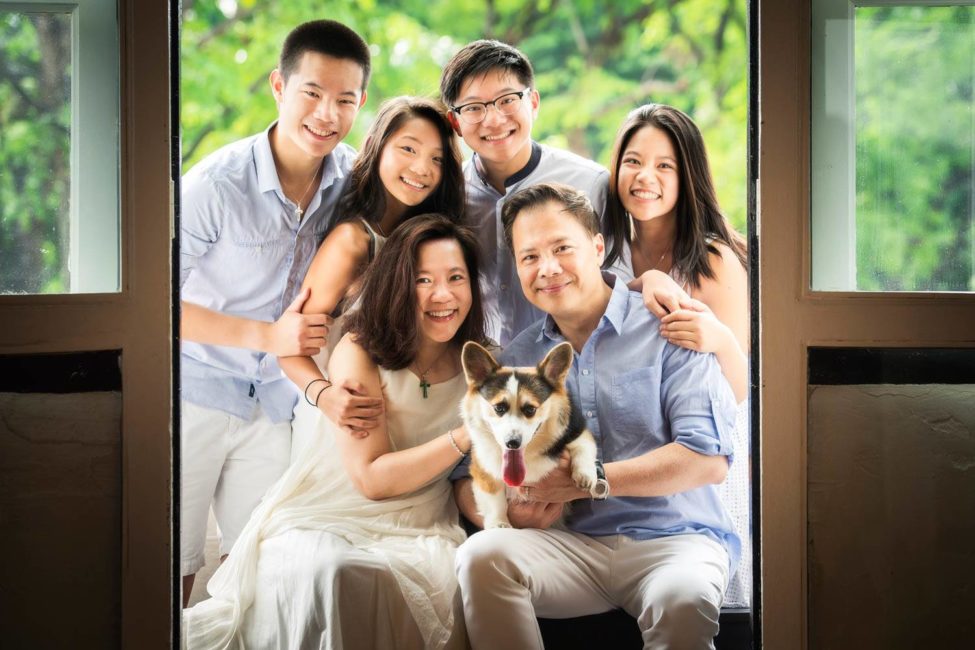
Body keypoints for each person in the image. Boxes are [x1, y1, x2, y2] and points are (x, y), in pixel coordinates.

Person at [452, 183, 739, 649]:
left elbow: (707, 459)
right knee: (481, 556)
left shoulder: (670, 326)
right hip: (573, 545)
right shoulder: (520, 359)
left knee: (682, 602)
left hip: (675, 539)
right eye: (529, 257)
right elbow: (467, 478)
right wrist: (510, 513)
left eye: (562, 247)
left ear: (599, 246)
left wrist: (594, 479)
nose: (547, 268)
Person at [183, 215, 486, 650]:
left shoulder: (479, 360)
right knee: (338, 570)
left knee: (425, 577)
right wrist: (465, 434)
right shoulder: (361, 349)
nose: (442, 295)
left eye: (456, 277)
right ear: (399, 285)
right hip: (332, 511)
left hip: (421, 524)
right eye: (422, 281)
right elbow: (372, 480)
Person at [178, 20, 370, 605]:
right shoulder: (215, 184)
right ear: (278, 87)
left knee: (254, 575)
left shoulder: (351, 180)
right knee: (173, 571)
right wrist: (268, 333)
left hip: (277, 406)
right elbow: (152, 303)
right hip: (193, 394)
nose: (326, 114)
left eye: (345, 100)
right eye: (312, 92)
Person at [603, 103, 751, 606]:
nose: (646, 177)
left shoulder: (713, 258)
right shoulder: (604, 250)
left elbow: (737, 392)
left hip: (699, 448)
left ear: (687, 175)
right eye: (633, 161)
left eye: (664, 165)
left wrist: (719, 340)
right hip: (627, 442)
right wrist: (648, 279)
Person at [277, 95, 464, 460]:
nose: (422, 168)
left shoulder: (433, 239)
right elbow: (290, 347)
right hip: (344, 420)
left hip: (409, 425)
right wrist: (324, 395)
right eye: (408, 149)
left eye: (437, 159)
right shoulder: (353, 241)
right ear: (378, 148)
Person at [439, 39, 610, 346]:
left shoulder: (591, 183)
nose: (494, 119)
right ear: (455, 121)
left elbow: (621, 283)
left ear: (533, 103)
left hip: (574, 364)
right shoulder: (447, 196)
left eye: (507, 100)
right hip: (481, 369)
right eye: (474, 108)